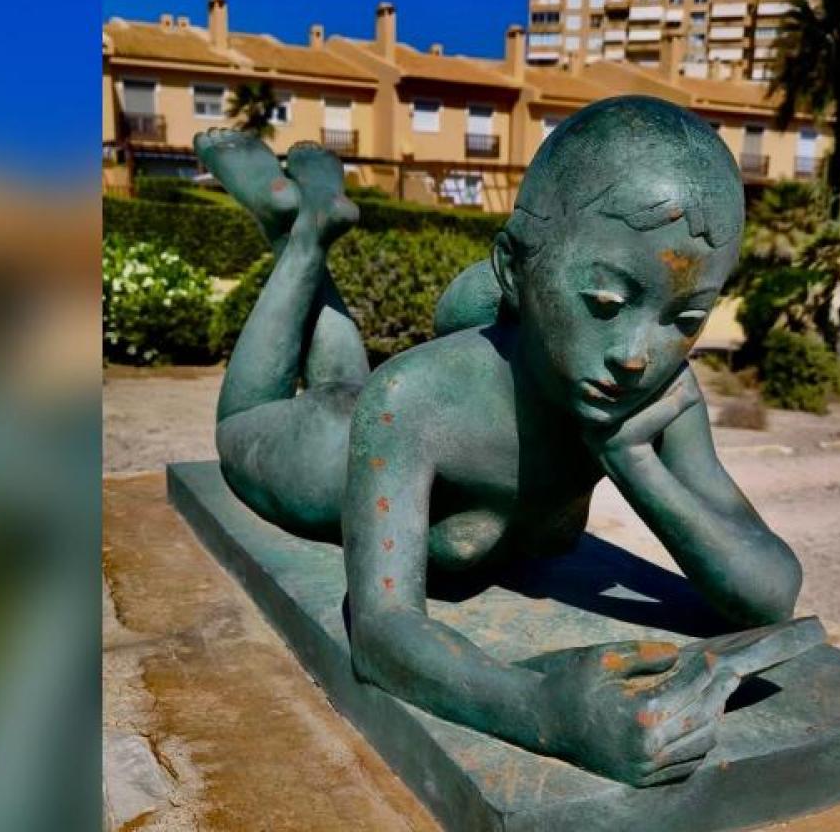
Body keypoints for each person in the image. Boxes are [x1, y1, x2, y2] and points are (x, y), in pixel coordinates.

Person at [197, 96, 801, 786]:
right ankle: (300, 236)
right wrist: (548, 711)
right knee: (252, 416)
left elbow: (771, 593)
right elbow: (382, 632)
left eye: (684, 318)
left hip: (372, 410)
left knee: (343, 376)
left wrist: (635, 464)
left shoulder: (660, 398)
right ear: (515, 265)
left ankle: (307, 221)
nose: (637, 354)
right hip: (327, 454)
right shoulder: (414, 400)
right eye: (604, 304)